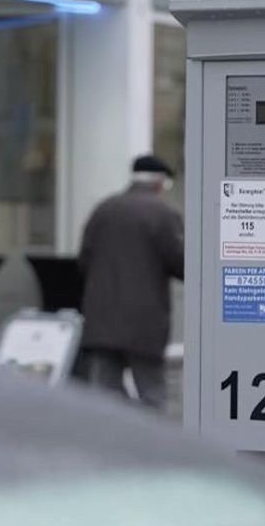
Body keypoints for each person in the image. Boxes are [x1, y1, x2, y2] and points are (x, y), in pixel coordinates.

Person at [74, 155, 183, 409]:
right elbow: (181, 262)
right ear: (160, 183)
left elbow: (84, 260)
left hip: (102, 320)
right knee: (151, 393)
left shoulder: (104, 209)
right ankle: (145, 433)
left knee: (105, 396)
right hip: (144, 323)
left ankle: (114, 432)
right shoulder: (164, 213)